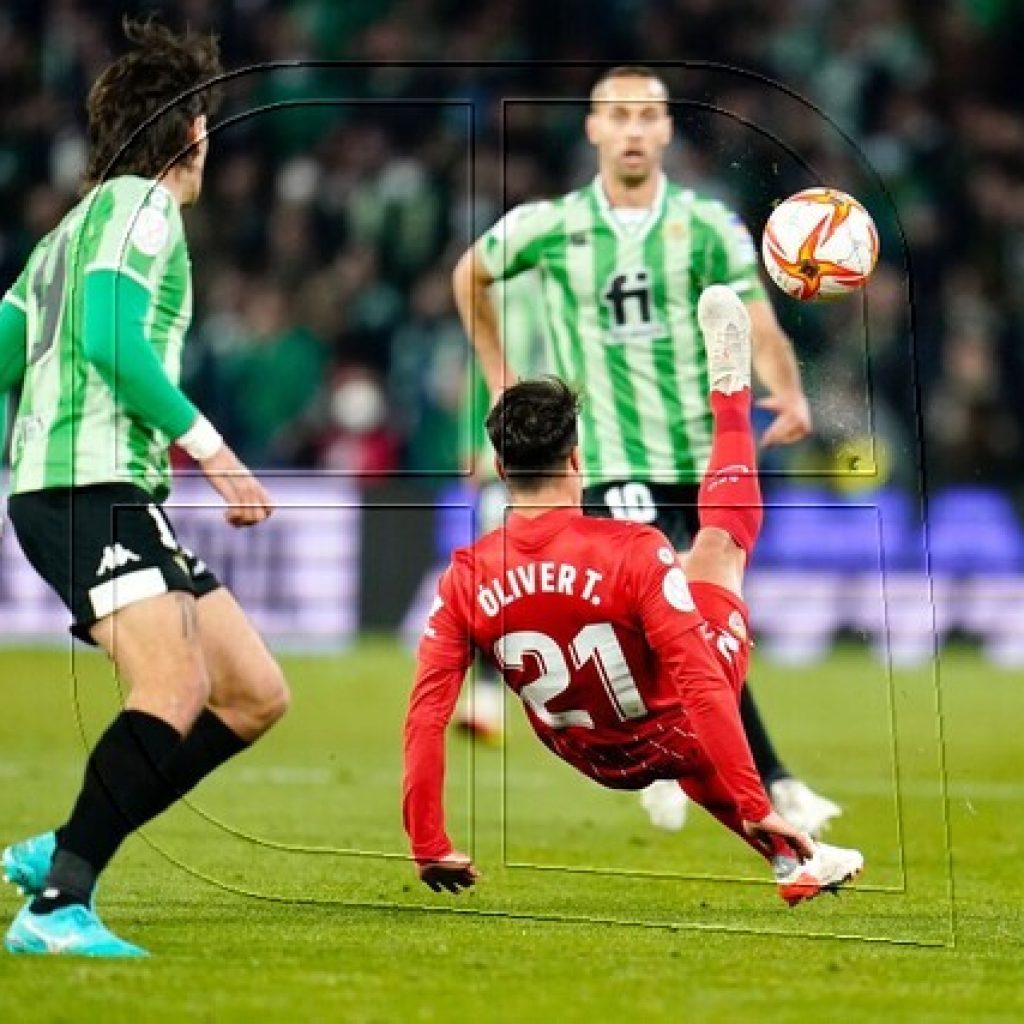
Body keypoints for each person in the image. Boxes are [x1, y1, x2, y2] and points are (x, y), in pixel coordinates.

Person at [451, 64, 840, 836]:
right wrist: (499, 380)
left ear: (667, 131)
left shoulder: (704, 224)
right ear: (593, 129)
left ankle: (697, 766)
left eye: (647, 116)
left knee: (711, 617)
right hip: (612, 455)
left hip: (697, 453)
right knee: (682, 616)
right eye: (617, 115)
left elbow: (754, 316)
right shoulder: (552, 224)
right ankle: (762, 781)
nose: (632, 129)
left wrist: (789, 389)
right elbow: (469, 275)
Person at [403, 285, 863, 903]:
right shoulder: (632, 548)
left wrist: (429, 842)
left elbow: (427, 715)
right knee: (716, 551)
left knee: (659, 682)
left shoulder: (463, 575)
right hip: (668, 731)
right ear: (576, 459)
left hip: (584, 750)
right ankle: (730, 390)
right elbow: (699, 679)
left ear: (503, 470)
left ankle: (792, 862)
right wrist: (756, 800)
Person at [0, 19, 289, 958]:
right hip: (90, 483)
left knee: (251, 691)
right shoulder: (142, 209)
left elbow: (6, 349)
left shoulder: (65, 234)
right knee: (174, 679)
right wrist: (215, 451)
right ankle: (56, 909)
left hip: (79, 485)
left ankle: (64, 845)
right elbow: (111, 344)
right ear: (190, 129)